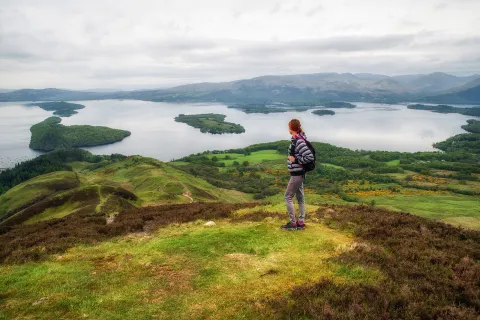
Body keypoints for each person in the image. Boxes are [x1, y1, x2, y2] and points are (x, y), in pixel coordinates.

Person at [281, 119, 314, 231]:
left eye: (288, 126)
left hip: (297, 174)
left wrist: (295, 160)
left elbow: (309, 157)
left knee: (287, 197)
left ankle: (293, 224)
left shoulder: (299, 141)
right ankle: (300, 223)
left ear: (291, 127)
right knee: (300, 198)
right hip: (298, 174)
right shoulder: (298, 139)